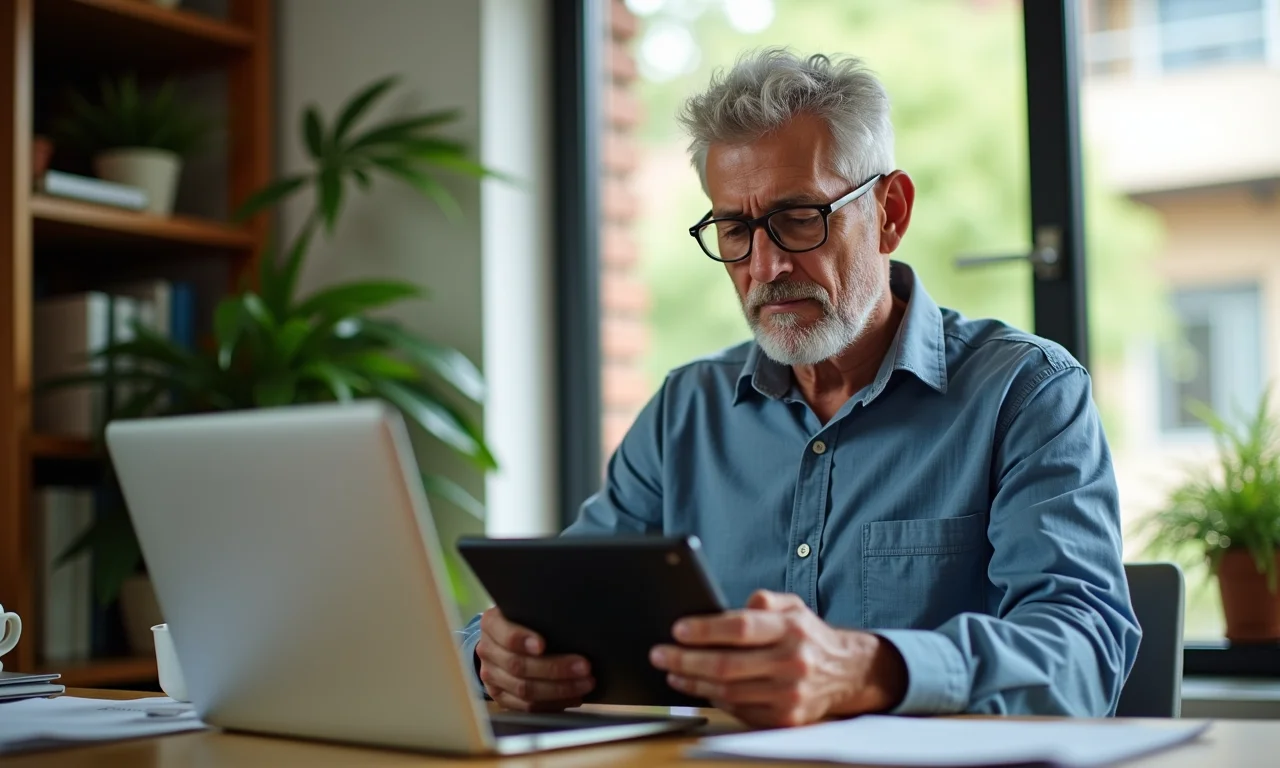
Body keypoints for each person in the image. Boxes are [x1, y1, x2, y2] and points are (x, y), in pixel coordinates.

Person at [457, 48, 1140, 727]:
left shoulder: (1026, 394)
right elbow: (554, 607)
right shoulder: (685, 412)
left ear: (891, 212)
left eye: (799, 217)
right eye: (734, 228)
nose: (767, 265)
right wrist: (500, 656)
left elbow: (1084, 654)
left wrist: (865, 667)